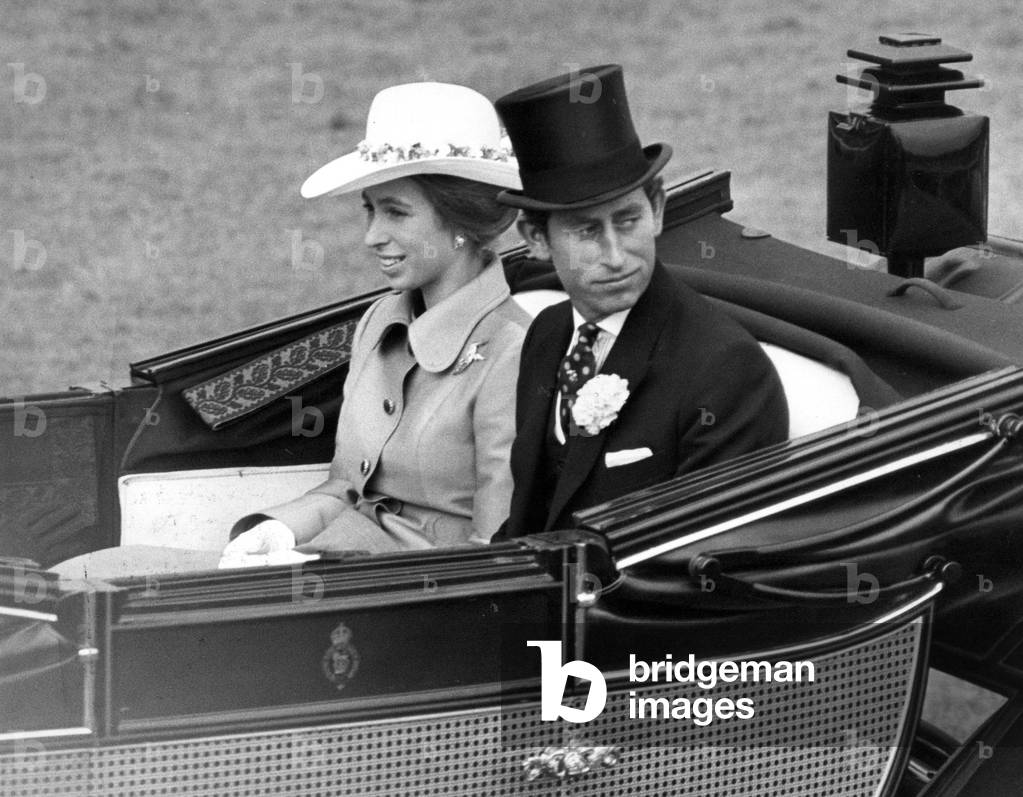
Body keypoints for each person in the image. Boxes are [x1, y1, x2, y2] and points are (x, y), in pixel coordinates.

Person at [221, 82, 530, 565]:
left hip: (413, 607)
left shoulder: (513, 350)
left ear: (463, 221)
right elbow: (346, 488)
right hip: (328, 564)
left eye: (396, 212)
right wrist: (277, 531)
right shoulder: (379, 321)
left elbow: (494, 556)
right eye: (370, 209)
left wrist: (331, 572)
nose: (371, 236)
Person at [491, 65, 789, 540]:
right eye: (587, 231)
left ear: (657, 209)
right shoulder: (546, 335)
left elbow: (706, 561)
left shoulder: (725, 368)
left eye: (628, 220)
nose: (615, 256)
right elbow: (531, 516)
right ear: (535, 239)